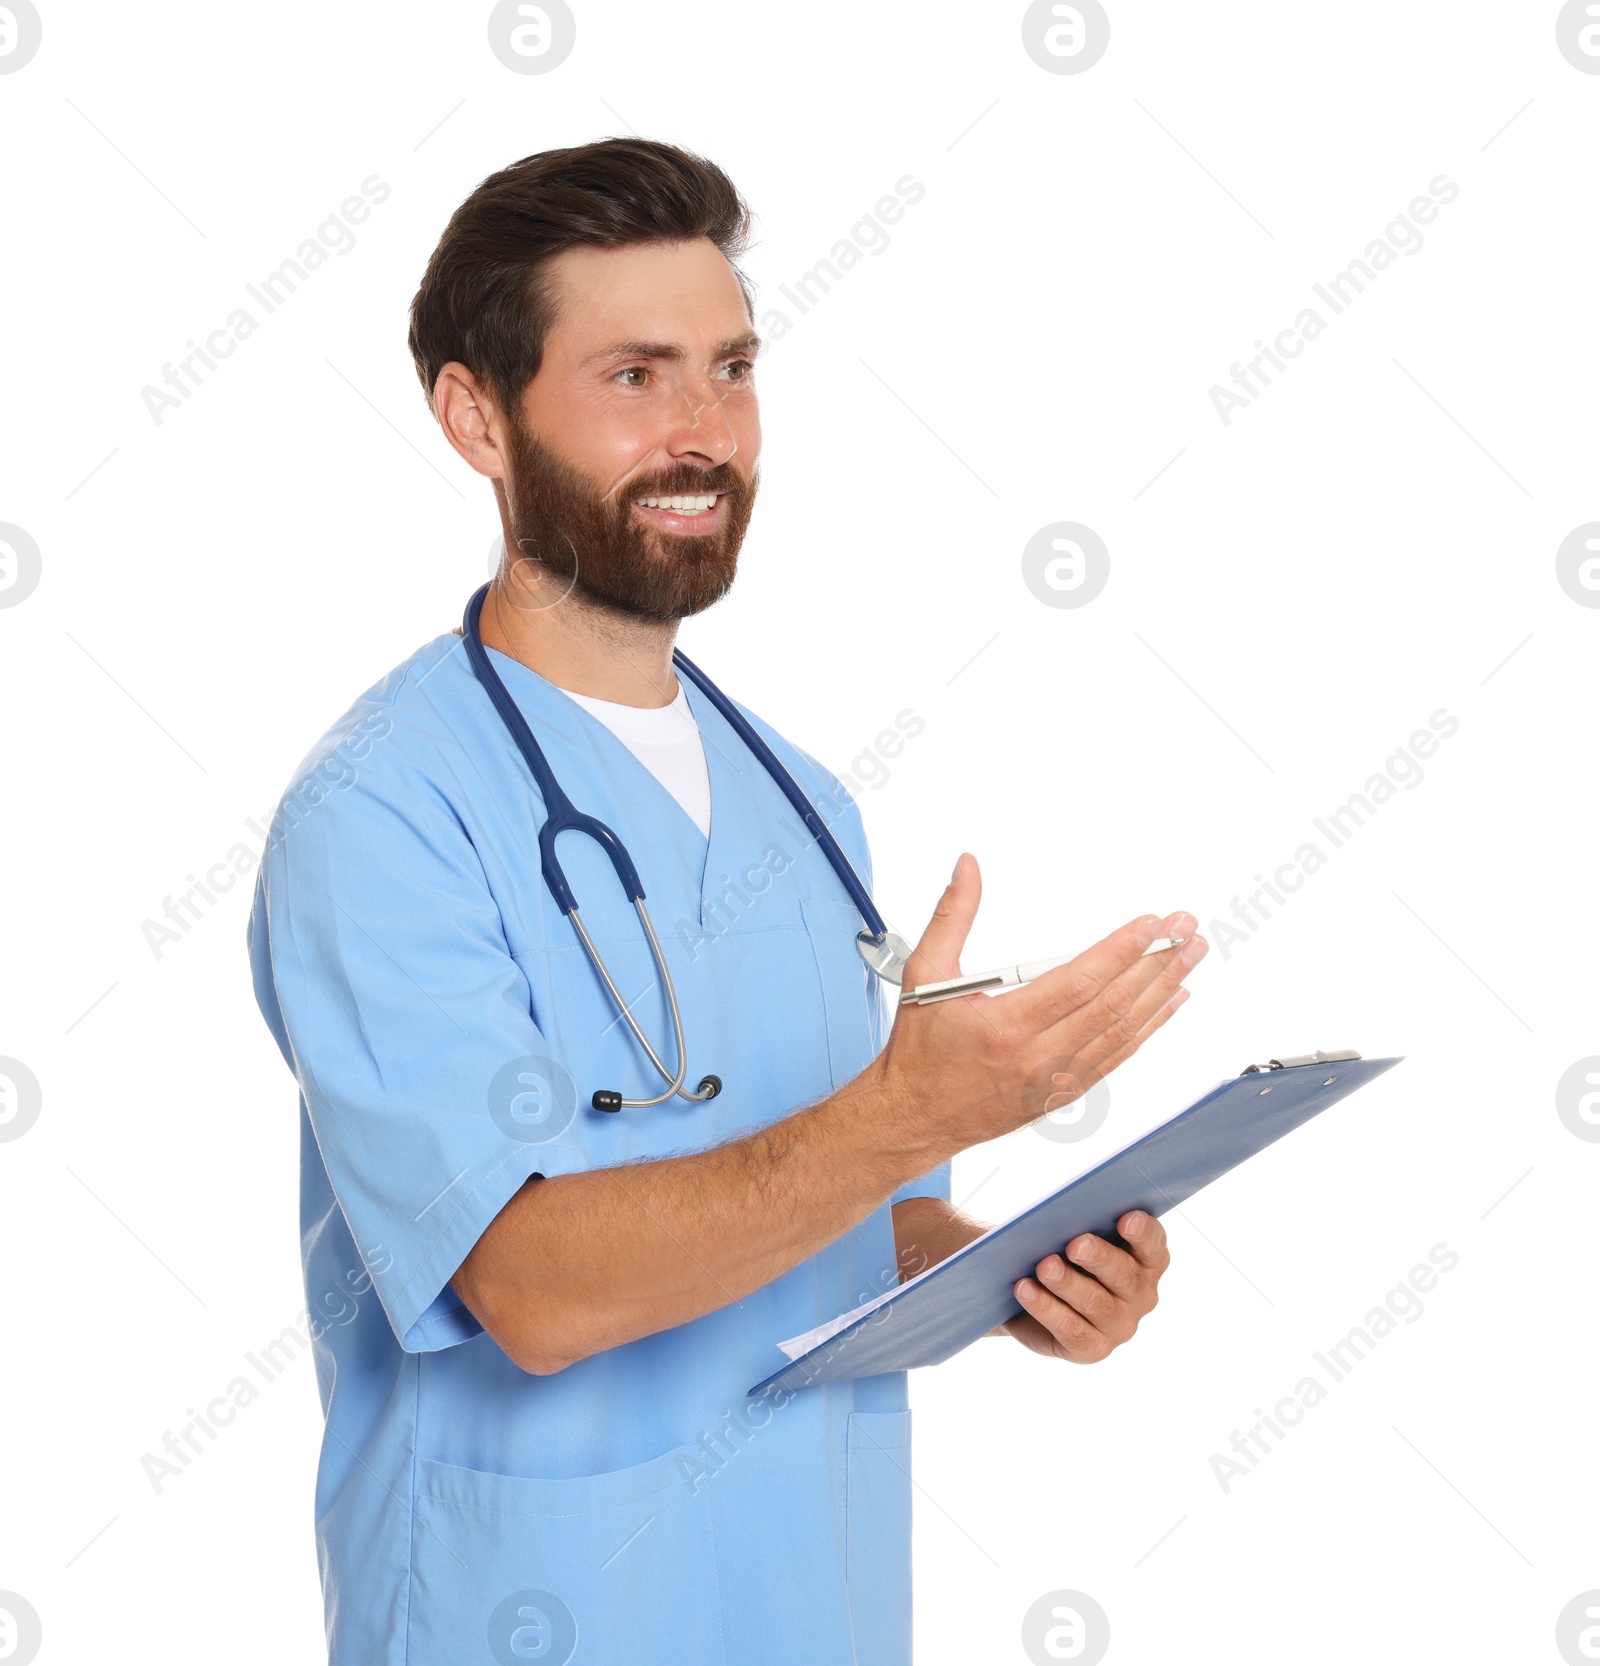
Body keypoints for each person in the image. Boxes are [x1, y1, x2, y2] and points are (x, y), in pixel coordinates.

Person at [247, 137, 1208, 1666]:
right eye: (635, 376)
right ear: (474, 416)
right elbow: (532, 1290)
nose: (705, 432)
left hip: (813, 1607)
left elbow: (845, 1217)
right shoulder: (383, 816)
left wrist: (1012, 1271)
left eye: (733, 366)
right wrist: (902, 1113)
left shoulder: (804, 808)